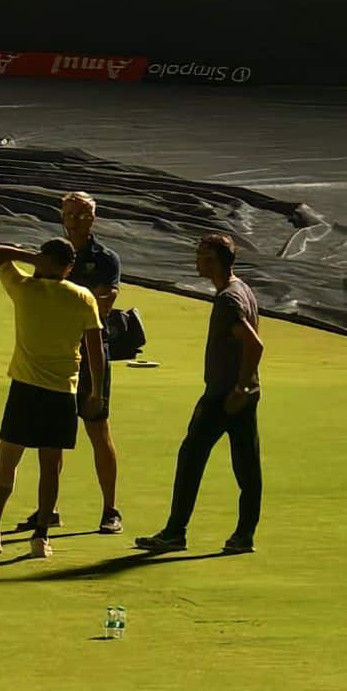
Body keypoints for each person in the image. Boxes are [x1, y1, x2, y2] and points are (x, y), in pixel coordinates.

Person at [0, 238, 106, 559]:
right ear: (69, 267)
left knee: (7, 462)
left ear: (44, 261)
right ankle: (40, 538)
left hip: (25, 390)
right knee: (50, 466)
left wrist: (33, 258)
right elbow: (95, 349)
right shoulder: (83, 298)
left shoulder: (24, 288)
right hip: (62, 393)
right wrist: (96, 391)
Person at [136, 234, 264, 554]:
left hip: (224, 395)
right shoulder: (241, 289)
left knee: (191, 458)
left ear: (216, 261)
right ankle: (244, 535)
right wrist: (248, 386)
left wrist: (239, 387)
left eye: (203, 256)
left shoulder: (227, 300)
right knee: (247, 467)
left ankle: (175, 532)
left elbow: (254, 344)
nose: (197, 261)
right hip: (244, 394)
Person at [21, 192, 126, 535]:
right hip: (57, 353)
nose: (72, 220)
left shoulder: (106, 259)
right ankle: (47, 509)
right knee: (51, 436)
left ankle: (111, 509)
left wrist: (69, 300)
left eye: (80, 215)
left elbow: (104, 304)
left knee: (98, 429)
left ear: (92, 218)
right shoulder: (50, 252)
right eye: (67, 214)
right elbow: (39, 293)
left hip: (92, 353)